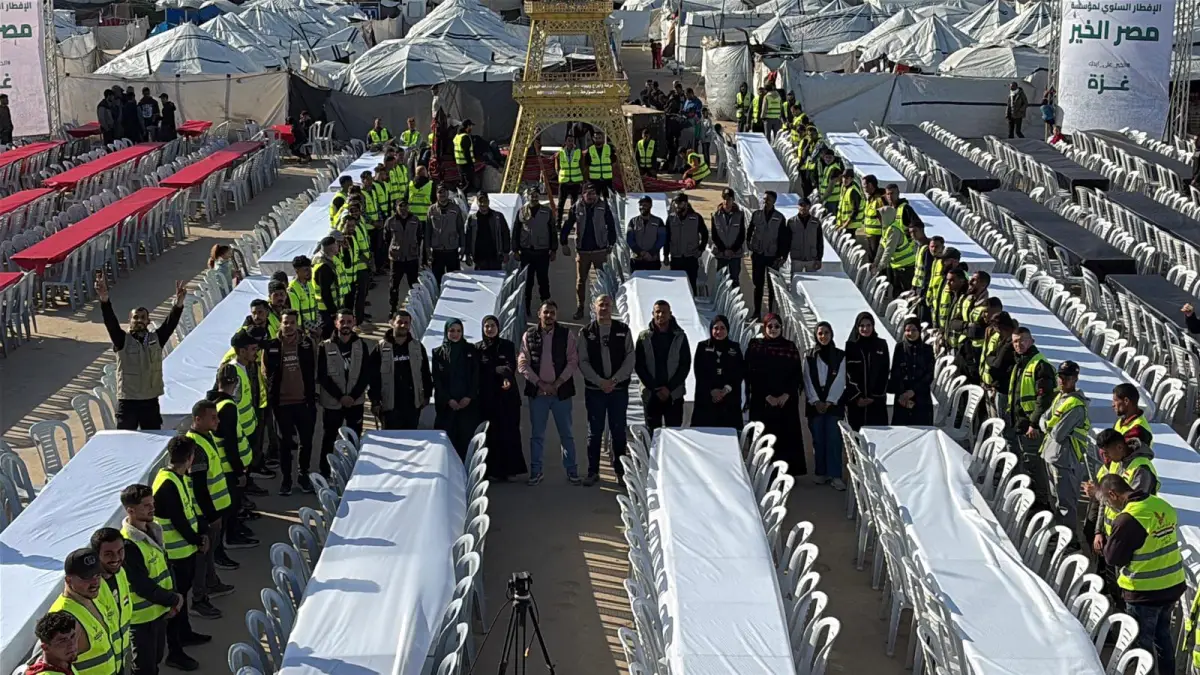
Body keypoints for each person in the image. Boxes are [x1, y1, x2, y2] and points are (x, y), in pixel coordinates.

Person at [1098, 474, 1185, 674]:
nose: (1109, 507)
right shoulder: (1161, 505)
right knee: (1163, 637)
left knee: (1140, 647)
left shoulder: (1127, 519)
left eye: (1107, 501)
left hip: (1144, 592)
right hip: (1172, 586)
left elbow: (1113, 558)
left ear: (1113, 494)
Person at [97, 276, 186, 430]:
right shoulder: (122, 341)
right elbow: (110, 323)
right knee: (125, 441)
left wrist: (177, 305)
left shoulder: (155, 339)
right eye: (135, 318)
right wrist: (105, 301)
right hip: (128, 401)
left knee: (153, 439)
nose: (138, 320)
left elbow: (169, 324)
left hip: (150, 401)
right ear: (129, 321)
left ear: (148, 321)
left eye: (142, 318)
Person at [150, 437, 209, 672]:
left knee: (182, 598)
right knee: (175, 604)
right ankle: (174, 651)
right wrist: (198, 540)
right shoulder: (167, 484)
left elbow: (188, 510)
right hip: (175, 555)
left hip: (185, 551)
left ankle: (185, 634)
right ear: (191, 457)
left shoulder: (177, 477)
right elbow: (178, 520)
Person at [1085, 429, 1159, 602]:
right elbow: (1106, 500)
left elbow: (1134, 508)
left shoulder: (1141, 469)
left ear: (1119, 447)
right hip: (1111, 533)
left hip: (1127, 535)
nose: (1106, 458)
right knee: (1113, 582)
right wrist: (1099, 531)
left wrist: (1097, 494)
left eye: (1107, 453)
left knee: (1124, 587)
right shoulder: (1117, 462)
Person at [120, 484, 185, 675]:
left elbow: (164, 567)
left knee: (155, 659)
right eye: (146, 505)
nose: (152, 508)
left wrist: (171, 599)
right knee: (145, 668)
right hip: (142, 619)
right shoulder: (128, 544)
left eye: (152, 503)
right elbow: (142, 586)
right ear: (130, 510)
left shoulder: (152, 531)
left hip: (158, 612)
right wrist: (173, 599)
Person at [518, 300, 581, 485]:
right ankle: (536, 472)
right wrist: (540, 384)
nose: (549, 316)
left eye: (552, 312)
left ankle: (572, 471)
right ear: (539, 314)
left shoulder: (566, 334)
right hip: (538, 394)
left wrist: (558, 382)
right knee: (537, 435)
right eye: (546, 312)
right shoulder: (528, 335)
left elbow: (573, 361)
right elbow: (522, 363)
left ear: (556, 315)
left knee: (567, 434)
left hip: (561, 394)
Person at [180, 402, 231, 621]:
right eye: (212, 418)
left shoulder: (205, 438)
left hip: (213, 508)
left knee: (210, 552)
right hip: (204, 513)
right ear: (197, 419)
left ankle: (211, 583)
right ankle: (199, 599)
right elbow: (200, 487)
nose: (217, 421)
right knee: (203, 554)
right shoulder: (196, 447)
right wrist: (211, 516)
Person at [578, 295, 635, 485]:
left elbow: (630, 358)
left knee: (618, 431)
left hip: (618, 390)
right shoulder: (586, 332)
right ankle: (593, 471)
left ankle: (620, 471)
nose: (604, 308)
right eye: (601, 305)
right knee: (594, 432)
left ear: (612, 308)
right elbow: (583, 361)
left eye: (607, 305)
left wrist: (615, 380)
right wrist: (600, 381)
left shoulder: (623, 330)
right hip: (595, 390)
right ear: (594, 307)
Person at [263, 310, 317, 496]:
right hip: (282, 404)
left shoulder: (307, 344)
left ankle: (303, 475)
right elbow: (265, 372)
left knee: (306, 442)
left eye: (292, 322)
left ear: (297, 324)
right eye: (286, 322)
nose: (289, 326)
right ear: (280, 324)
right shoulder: (271, 346)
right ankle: (286, 479)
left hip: (304, 402)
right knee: (285, 444)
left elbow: (314, 369)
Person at [744, 313, 805, 472]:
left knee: (786, 437)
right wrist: (767, 395)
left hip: (786, 401)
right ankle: (762, 472)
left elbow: (796, 373)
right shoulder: (756, 345)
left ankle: (785, 472)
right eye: (769, 326)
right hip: (762, 400)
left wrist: (786, 394)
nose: (773, 329)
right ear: (764, 327)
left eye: (777, 326)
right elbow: (751, 372)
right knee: (764, 436)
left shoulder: (789, 347)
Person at [1036, 360, 1090, 533]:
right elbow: (1043, 419)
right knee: (1055, 497)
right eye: (1060, 376)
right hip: (1050, 453)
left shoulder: (1076, 405)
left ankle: (1069, 539)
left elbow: (1058, 434)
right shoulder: (1061, 397)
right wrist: (1047, 425)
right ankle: (1059, 532)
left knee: (1065, 502)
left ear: (1075, 378)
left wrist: (1047, 425)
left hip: (1064, 458)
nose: (1062, 380)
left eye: (1066, 377)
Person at [48, 549, 122, 675]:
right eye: (87, 577)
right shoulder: (62, 616)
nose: (95, 582)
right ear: (69, 580)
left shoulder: (91, 597)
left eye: (97, 575)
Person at [317, 310, 369, 477]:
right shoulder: (324, 346)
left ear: (354, 322)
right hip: (333, 402)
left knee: (354, 438)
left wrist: (352, 396)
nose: (345, 325)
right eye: (342, 321)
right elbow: (322, 376)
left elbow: (365, 374)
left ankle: (355, 471)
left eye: (349, 321)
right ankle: (324, 471)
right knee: (329, 438)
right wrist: (341, 397)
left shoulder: (362, 344)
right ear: (336, 323)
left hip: (355, 402)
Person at [476, 315, 527, 480]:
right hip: (487, 398)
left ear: (498, 328)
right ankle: (490, 471)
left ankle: (508, 471)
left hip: (507, 397)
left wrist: (501, 373)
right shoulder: (477, 348)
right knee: (491, 435)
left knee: (508, 433)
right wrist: (499, 371)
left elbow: (510, 366)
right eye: (486, 326)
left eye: (492, 326)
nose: (490, 329)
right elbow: (479, 371)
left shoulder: (507, 345)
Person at [561, 182, 618, 319]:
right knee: (581, 281)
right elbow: (568, 224)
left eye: (593, 194)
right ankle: (580, 307)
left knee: (602, 281)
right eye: (588, 194)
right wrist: (563, 243)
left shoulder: (604, 206)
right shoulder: (576, 207)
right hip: (583, 251)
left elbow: (611, 225)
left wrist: (611, 243)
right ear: (583, 194)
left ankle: (602, 309)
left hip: (600, 250)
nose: (591, 196)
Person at [370, 310, 432, 431]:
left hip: (412, 404)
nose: (403, 325)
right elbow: (373, 376)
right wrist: (375, 401)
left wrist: (427, 395)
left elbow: (425, 372)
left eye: (406, 323)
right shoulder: (381, 347)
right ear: (392, 323)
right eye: (400, 322)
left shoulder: (417, 347)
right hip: (390, 404)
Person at [634, 300, 691, 431]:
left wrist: (669, 388)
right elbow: (639, 366)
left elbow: (685, 365)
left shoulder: (680, 337)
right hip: (651, 393)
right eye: (657, 312)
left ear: (670, 314)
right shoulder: (644, 337)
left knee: (675, 433)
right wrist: (655, 388)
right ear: (652, 314)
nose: (660, 315)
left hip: (674, 394)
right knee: (652, 434)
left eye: (664, 312)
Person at [1008, 327, 1057, 476]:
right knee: (1027, 461)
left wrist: (1033, 424)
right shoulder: (1021, 363)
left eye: (1023, 340)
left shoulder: (1040, 365)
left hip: (1033, 427)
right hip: (1021, 422)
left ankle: (1040, 498)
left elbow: (1044, 399)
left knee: (1035, 465)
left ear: (1032, 341)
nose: (1018, 344)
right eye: (1015, 341)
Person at [431, 318, 481, 459]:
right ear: (446, 332)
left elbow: (475, 375)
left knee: (465, 439)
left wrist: (469, 397)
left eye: (459, 331)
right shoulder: (438, 353)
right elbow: (437, 380)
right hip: (447, 406)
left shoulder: (471, 350)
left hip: (467, 405)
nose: (455, 334)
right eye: (452, 331)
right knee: (447, 440)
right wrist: (448, 399)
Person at [804, 321, 844, 487]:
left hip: (833, 404)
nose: (823, 336)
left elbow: (840, 380)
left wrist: (829, 401)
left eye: (826, 333)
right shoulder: (809, 356)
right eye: (820, 333)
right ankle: (821, 472)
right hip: (815, 405)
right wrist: (815, 401)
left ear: (831, 334)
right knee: (818, 439)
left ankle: (835, 475)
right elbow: (807, 379)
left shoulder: (840, 356)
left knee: (833, 439)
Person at [89, 527, 134, 672]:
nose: (116, 558)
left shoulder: (120, 573)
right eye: (108, 554)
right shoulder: (89, 588)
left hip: (119, 659)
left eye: (120, 551)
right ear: (96, 555)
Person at [693, 315, 744, 429]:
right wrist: (712, 390)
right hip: (707, 400)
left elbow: (738, 372)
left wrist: (725, 390)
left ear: (727, 330)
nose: (719, 331)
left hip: (729, 400)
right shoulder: (702, 347)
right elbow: (699, 372)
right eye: (716, 328)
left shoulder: (734, 348)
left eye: (722, 328)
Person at [747, 190, 790, 319]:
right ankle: (756, 312)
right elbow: (749, 231)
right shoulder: (756, 215)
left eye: (769, 199)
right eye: (764, 199)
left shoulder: (780, 218)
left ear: (774, 201)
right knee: (758, 285)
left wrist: (783, 256)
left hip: (773, 256)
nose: (766, 202)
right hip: (758, 254)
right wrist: (750, 246)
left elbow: (784, 239)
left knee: (771, 287)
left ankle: (771, 314)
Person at [843, 311, 890, 430]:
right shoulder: (851, 346)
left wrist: (874, 396)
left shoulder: (881, 344)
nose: (865, 329)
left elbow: (885, 371)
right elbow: (847, 373)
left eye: (869, 325)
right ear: (857, 327)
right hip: (857, 402)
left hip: (876, 401)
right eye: (862, 326)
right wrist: (857, 397)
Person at [512, 191, 556, 312]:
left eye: (536, 196)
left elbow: (552, 231)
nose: (534, 198)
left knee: (543, 281)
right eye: (532, 196)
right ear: (528, 197)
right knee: (527, 282)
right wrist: (515, 249)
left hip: (542, 252)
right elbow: (516, 231)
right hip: (526, 252)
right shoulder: (522, 211)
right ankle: (526, 308)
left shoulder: (546, 212)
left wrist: (554, 250)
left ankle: (546, 307)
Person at [887, 318, 934, 425]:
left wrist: (913, 391)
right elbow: (895, 372)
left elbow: (929, 375)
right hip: (902, 398)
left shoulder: (927, 350)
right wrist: (902, 395)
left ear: (919, 331)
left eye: (914, 330)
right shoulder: (899, 348)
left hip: (921, 397)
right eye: (907, 330)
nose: (910, 333)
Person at [874, 185, 919, 293]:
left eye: (892, 193)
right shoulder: (887, 227)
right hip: (895, 263)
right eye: (888, 194)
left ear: (898, 193)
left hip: (905, 263)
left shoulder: (905, 209)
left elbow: (889, 250)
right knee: (896, 289)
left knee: (905, 291)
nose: (890, 196)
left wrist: (879, 267)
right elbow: (882, 246)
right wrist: (875, 262)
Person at [664, 193, 709, 295]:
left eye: (680, 203)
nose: (677, 206)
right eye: (675, 203)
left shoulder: (696, 218)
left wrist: (701, 249)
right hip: (676, 257)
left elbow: (705, 234)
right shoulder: (671, 219)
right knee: (676, 286)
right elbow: (667, 238)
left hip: (691, 257)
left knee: (691, 285)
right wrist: (666, 255)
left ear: (686, 203)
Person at [425, 185, 465, 283]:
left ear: (448, 193)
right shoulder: (431, 210)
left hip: (451, 249)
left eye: (444, 192)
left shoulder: (456, 209)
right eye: (439, 192)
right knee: (437, 279)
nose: (442, 194)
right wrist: (427, 248)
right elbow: (428, 230)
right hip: (437, 250)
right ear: (436, 194)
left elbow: (460, 228)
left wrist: (463, 246)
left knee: (455, 279)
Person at [982, 311, 1017, 418]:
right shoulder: (1005, 339)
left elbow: (997, 365)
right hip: (995, 386)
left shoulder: (1009, 343)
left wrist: (990, 358)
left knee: (1000, 420)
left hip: (1003, 390)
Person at [710, 188, 746, 287]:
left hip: (735, 254)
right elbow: (714, 235)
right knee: (720, 278)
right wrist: (723, 250)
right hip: (721, 253)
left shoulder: (740, 215)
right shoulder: (715, 215)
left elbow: (741, 234)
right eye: (725, 198)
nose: (726, 201)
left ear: (733, 200)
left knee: (735, 279)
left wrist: (733, 250)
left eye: (729, 199)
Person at [465, 193, 510, 270]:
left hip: (495, 257)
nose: (483, 204)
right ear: (477, 203)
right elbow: (468, 237)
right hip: (479, 258)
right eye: (480, 201)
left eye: (485, 201)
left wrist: (506, 252)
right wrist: (467, 254)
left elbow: (505, 234)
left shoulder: (498, 217)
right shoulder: (472, 219)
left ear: (488, 202)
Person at [312, 236, 343, 339]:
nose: (338, 247)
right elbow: (325, 291)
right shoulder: (324, 266)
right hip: (326, 309)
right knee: (328, 335)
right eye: (336, 245)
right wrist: (333, 311)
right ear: (331, 248)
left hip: (330, 307)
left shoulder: (328, 260)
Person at [627, 196, 667, 272]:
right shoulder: (633, 221)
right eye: (640, 205)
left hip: (652, 260)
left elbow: (662, 239)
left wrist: (651, 253)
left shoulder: (658, 221)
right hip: (637, 260)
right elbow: (630, 239)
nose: (642, 207)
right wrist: (641, 252)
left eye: (645, 205)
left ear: (650, 206)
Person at [555, 135, 584, 229]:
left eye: (572, 140)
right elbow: (557, 167)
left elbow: (582, 166)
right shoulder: (560, 153)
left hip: (575, 182)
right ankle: (558, 223)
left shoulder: (578, 152)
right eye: (569, 140)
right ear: (565, 142)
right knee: (560, 205)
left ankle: (571, 224)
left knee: (574, 206)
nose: (570, 142)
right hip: (564, 182)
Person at [1113, 383, 1154, 448]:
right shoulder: (1120, 421)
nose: (1113, 405)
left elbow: (1121, 454)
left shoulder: (1138, 429)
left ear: (1126, 401)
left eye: (1115, 401)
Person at [787, 198, 823, 273]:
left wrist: (819, 259)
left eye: (805, 206)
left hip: (811, 257)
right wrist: (784, 257)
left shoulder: (816, 222)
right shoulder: (791, 222)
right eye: (801, 205)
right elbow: (787, 241)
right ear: (798, 207)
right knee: (795, 279)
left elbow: (819, 241)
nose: (803, 208)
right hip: (797, 257)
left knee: (812, 282)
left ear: (809, 207)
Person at [580, 130, 615, 199]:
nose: (598, 140)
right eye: (596, 138)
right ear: (593, 138)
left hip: (607, 179)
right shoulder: (590, 149)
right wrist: (586, 179)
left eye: (599, 138)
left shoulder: (609, 148)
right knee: (594, 199)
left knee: (608, 200)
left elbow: (614, 162)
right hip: (594, 179)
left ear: (603, 138)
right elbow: (586, 165)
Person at [454, 119, 477, 194]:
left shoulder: (457, 136)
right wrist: (471, 165)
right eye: (470, 126)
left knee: (463, 183)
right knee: (468, 184)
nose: (471, 128)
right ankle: (461, 195)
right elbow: (466, 152)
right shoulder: (465, 137)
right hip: (466, 164)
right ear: (467, 126)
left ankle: (462, 198)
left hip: (459, 163)